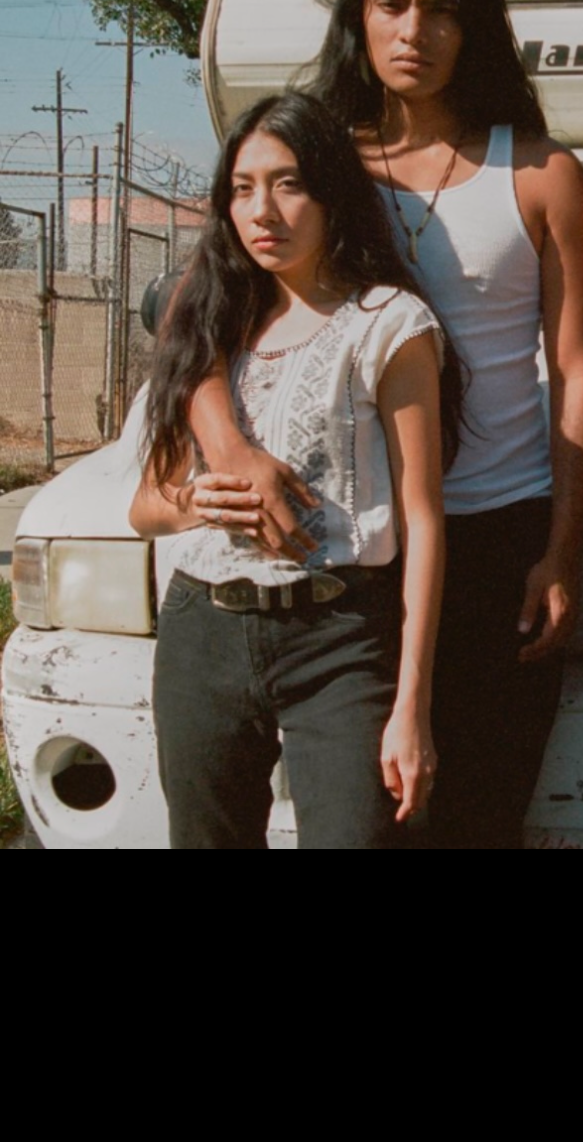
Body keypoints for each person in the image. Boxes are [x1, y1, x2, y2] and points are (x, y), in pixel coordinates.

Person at [190, 0, 583, 850]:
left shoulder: (541, 174)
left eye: (441, 9)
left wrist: (562, 550)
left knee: (483, 815)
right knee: (374, 823)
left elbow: (579, 372)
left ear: (476, 24)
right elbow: (199, 320)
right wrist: (232, 450)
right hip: (352, 545)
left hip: (500, 532)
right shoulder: (312, 168)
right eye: (392, 5)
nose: (414, 31)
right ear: (359, 19)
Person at [130, 93, 457, 851]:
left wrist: (413, 703)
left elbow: (424, 518)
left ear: (333, 194)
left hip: (341, 635)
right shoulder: (212, 330)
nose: (262, 210)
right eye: (243, 188)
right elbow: (146, 505)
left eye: (288, 183)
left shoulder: (389, 324)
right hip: (202, 633)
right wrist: (201, 501)